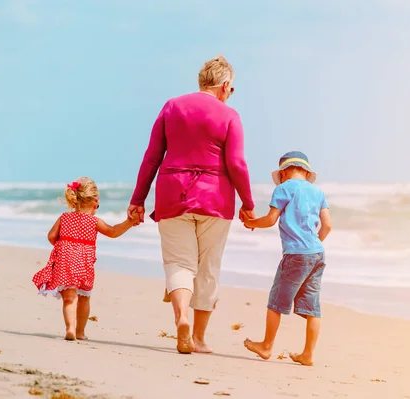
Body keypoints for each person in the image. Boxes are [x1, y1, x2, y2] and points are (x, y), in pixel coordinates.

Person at [127, 55, 255, 354]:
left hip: (173, 195)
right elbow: (236, 163)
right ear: (225, 85)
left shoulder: (172, 106)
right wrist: (248, 203)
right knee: (208, 268)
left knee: (179, 264)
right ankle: (197, 338)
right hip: (216, 198)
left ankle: (181, 317)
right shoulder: (229, 115)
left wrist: (138, 199)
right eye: (232, 89)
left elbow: (152, 157)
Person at [241, 151, 332, 366]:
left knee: (277, 301)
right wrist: (313, 245)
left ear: (283, 173)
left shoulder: (283, 189)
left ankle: (266, 346)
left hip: (295, 255)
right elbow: (327, 226)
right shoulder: (318, 193)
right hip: (317, 253)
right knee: (312, 307)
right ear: (307, 172)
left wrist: (250, 223)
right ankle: (308, 354)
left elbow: (271, 219)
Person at [32, 177, 139, 341]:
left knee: (69, 298)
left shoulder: (64, 218)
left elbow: (51, 236)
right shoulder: (94, 221)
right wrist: (129, 222)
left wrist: (62, 245)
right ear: (96, 202)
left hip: (65, 261)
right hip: (84, 263)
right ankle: (81, 332)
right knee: (84, 298)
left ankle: (70, 329)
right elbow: (113, 232)